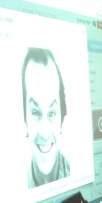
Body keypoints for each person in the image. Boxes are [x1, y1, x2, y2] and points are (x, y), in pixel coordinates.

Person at [22, 48, 70, 188]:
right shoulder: (12, 191)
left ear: (61, 119)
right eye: (35, 113)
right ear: (25, 119)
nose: (44, 133)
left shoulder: (79, 172)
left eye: (52, 113)